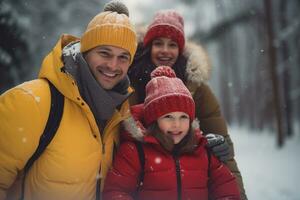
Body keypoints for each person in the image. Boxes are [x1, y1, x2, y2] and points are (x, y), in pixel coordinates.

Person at [0, 1, 137, 200]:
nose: (113, 65)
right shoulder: (32, 102)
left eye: (123, 57)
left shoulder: (121, 114)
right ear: (86, 52)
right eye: (104, 53)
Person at [127, 9, 247, 200]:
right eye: (158, 43)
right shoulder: (130, 82)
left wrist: (218, 145)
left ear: (180, 50)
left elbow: (226, 164)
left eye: (172, 45)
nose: (165, 50)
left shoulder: (197, 88)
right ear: (148, 47)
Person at [103, 66, 241, 200]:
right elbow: (116, 191)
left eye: (183, 117)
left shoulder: (202, 150)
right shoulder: (135, 152)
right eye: (168, 117)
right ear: (154, 120)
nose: (176, 124)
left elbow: (226, 190)